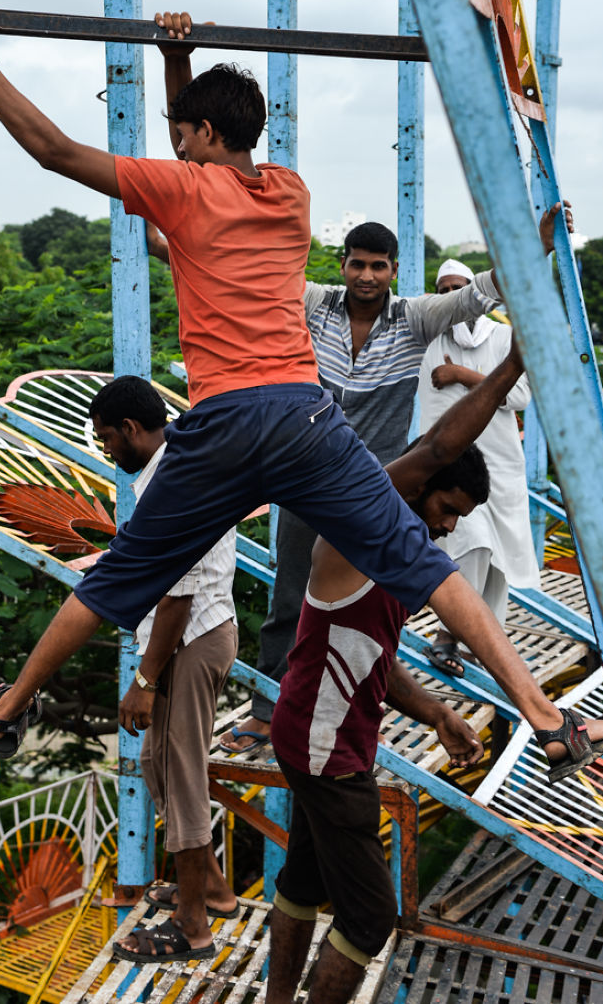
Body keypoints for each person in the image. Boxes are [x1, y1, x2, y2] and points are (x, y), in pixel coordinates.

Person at [0, 0, 603, 834]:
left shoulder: (183, 190)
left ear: (202, 135)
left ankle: (7, 710)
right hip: (305, 417)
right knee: (420, 567)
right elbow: (200, 154)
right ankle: (548, 719)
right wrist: (180, 68)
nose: (177, 144)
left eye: (185, 130)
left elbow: (53, 149)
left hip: (223, 425)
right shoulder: (288, 192)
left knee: (118, 579)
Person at [265, 336, 603, 1004]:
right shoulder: (353, 530)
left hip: (319, 736)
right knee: (368, 921)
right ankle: (552, 721)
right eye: (446, 509)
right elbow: (434, 450)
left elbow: (366, 657)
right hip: (326, 750)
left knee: (304, 883)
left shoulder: (393, 559)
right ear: (417, 491)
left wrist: (437, 712)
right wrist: (512, 366)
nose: (449, 529)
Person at [223, 212, 568, 753]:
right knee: (291, 593)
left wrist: (539, 246)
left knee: (376, 604)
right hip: (304, 474)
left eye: (377, 266)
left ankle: (359, 710)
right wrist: (167, 238)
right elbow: (245, 275)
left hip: (373, 485)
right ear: (342, 266)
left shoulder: (415, 318)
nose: (366, 276)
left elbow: (480, 293)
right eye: (357, 264)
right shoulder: (314, 303)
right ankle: (270, 709)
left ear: (393, 270)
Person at [87, 375, 239, 964]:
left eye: (107, 440)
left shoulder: (167, 483)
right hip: (192, 635)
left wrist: (145, 682)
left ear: (129, 429)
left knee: (181, 775)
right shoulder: (174, 464)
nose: (106, 451)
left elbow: (176, 597)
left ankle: (193, 927)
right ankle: (215, 889)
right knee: (157, 762)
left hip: (190, 639)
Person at [418, 258, 540, 677]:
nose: (454, 295)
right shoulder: (429, 336)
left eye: (460, 287)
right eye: (445, 288)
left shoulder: (504, 335)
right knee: (472, 540)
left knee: (497, 558)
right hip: (451, 465)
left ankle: (481, 640)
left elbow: (520, 394)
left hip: (499, 463)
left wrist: (460, 374)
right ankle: (450, 632)